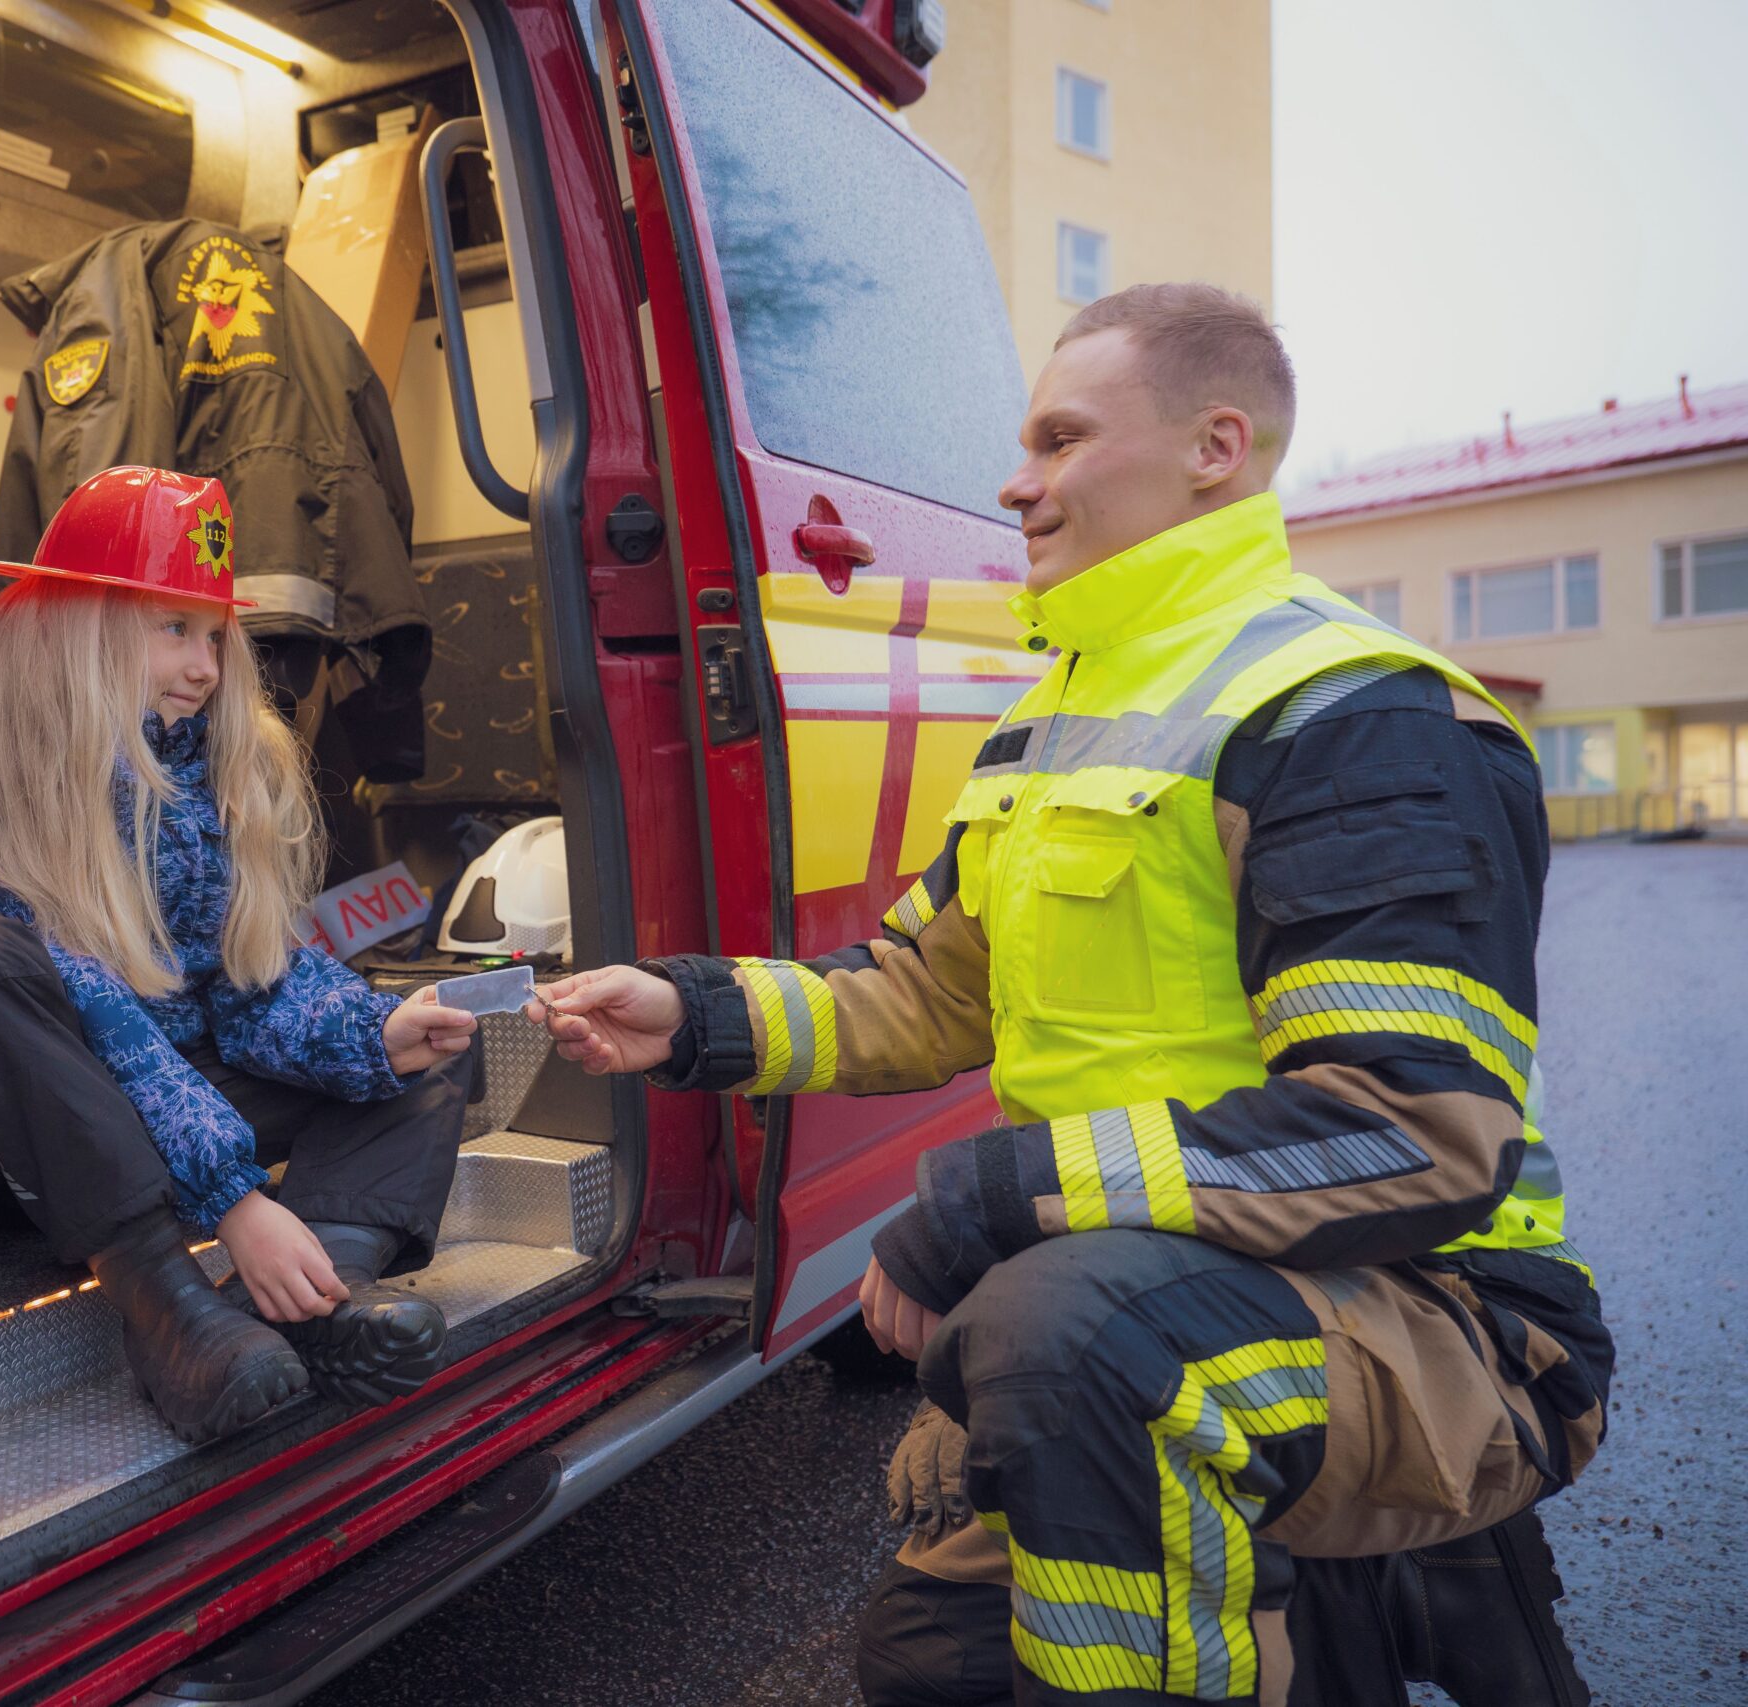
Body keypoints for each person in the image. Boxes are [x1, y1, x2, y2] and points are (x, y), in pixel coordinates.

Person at [528, 286, 1610, 1705]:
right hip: (1175, 1289)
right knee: (935, 1660)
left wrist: (982, 1207)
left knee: (1077, 1337)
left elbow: (1406, 1127)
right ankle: (1342, 1583)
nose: (1012, 477)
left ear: (1216, 448)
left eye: (1058, 436)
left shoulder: (1354, 710)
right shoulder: (1061, 708)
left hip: (1444, 1312)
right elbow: (925, 986)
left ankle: (1349, 1567)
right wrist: (698, 1012)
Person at [0, 466, 480, 1447]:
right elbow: (98, 1015)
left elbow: (250, 986)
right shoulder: (5, 772)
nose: (204, 665)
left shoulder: (208, 775)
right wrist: (233, 1200)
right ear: (79, 630)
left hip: (164, 1110)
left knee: (422, 1051)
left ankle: (320, 1296)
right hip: (19, 1128)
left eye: (211, 635)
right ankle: (173, 1318)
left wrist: (377, 1032)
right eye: (171, 629)